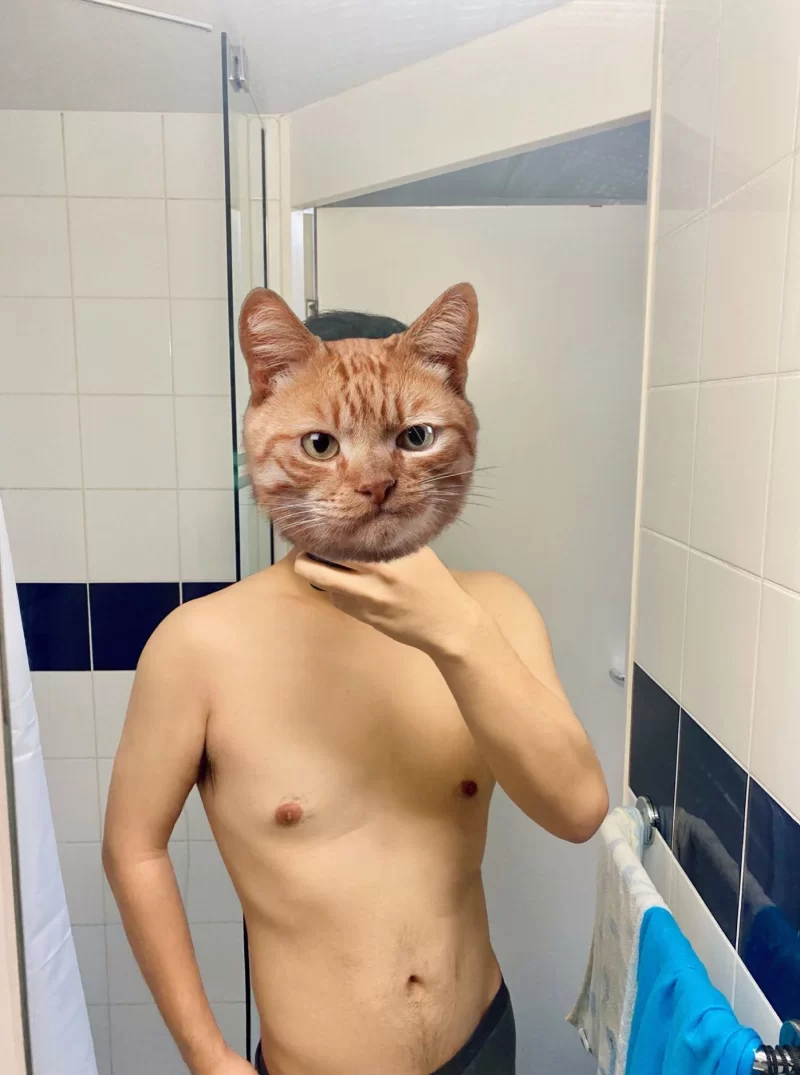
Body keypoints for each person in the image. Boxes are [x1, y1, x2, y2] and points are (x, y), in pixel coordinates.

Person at [103, 309, 609, 1075]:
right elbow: (132, 846)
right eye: (321, 444)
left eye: (410, 437)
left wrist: (454, 631)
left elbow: (577, 811)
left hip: (482, 1041)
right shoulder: (198, 644)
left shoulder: (494, 611)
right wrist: (207, 1054)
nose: (374, 482)